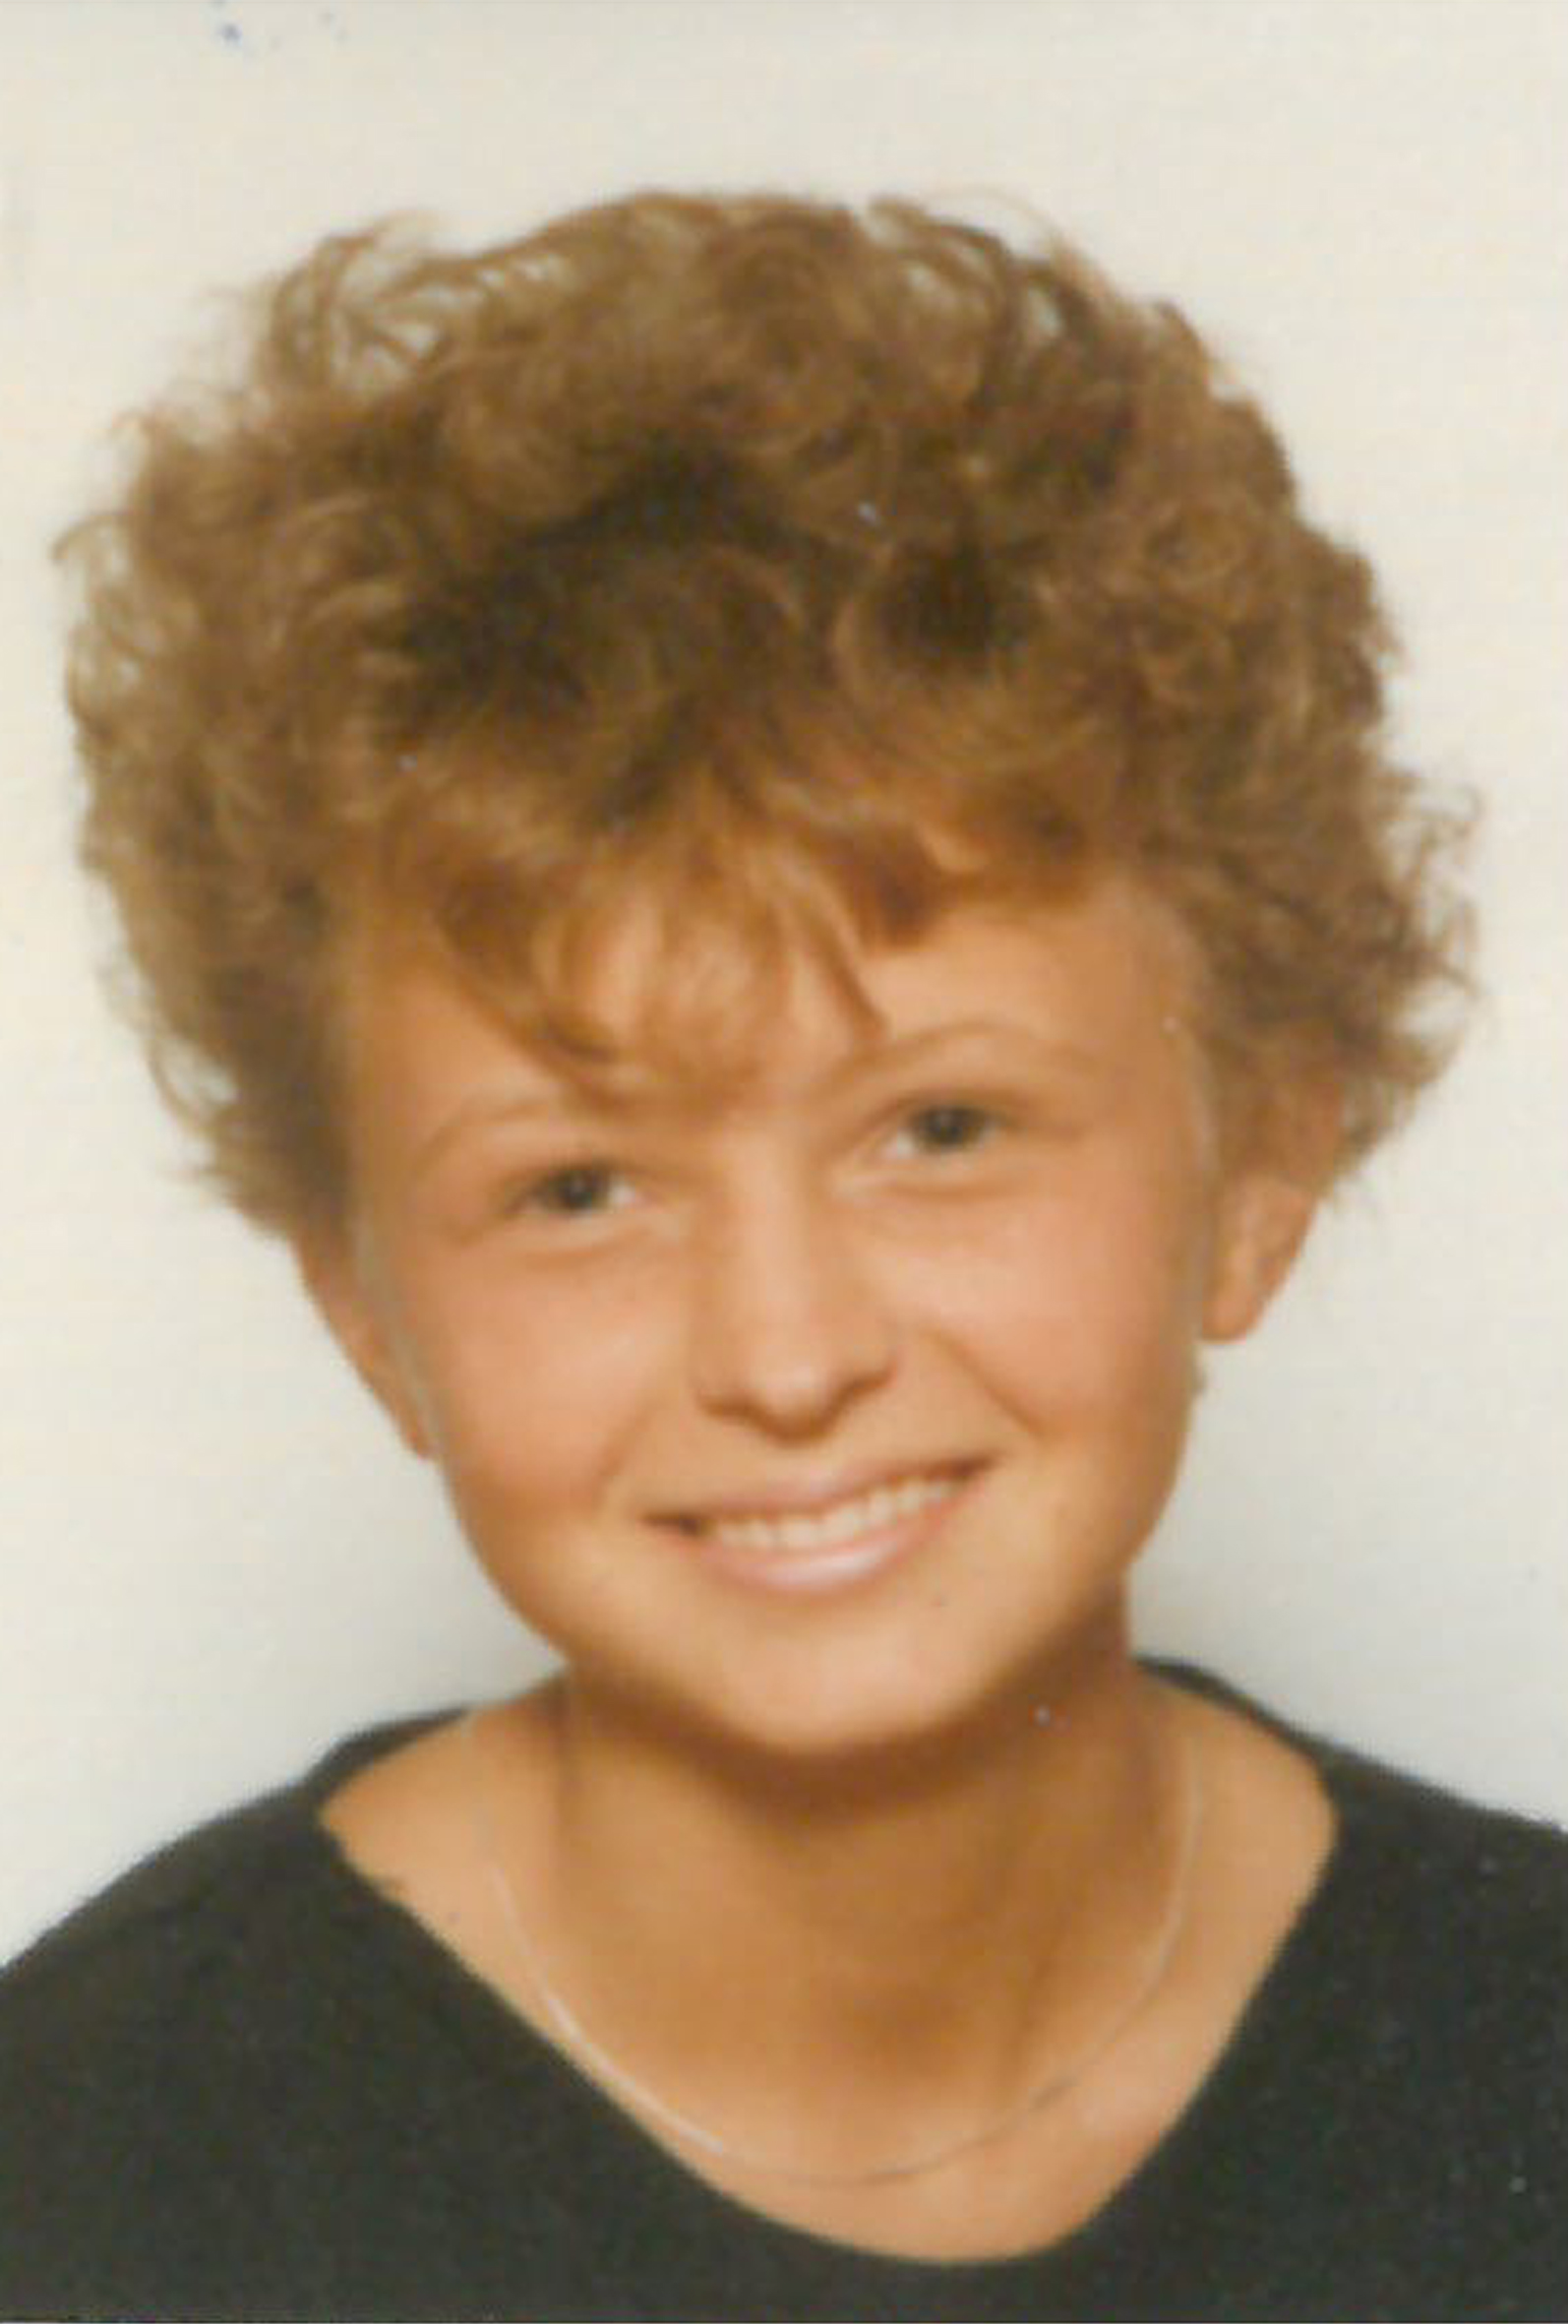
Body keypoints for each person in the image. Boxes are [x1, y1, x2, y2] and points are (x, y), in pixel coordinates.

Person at [0, 190, 1561, 2324]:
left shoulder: (1518, 2053)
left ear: (1261, 1168)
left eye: (940, 1129)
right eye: (579, 1187)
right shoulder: (95, 2168)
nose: (787, 1351)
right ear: (360, 1303)